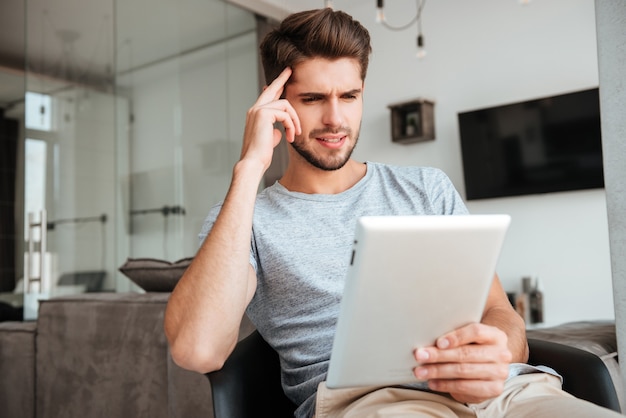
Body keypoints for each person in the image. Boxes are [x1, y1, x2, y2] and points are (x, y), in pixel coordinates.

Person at [164, 8, 621, 418]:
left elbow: (497, 310)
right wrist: (249, 169)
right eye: (312, 99)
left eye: (349, 96)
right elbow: (197, 350)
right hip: (372, 403)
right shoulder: (247, 217)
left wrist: (499, 350)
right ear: (277, 106)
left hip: (506, 392)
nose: (335, 119)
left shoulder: (426, 188)